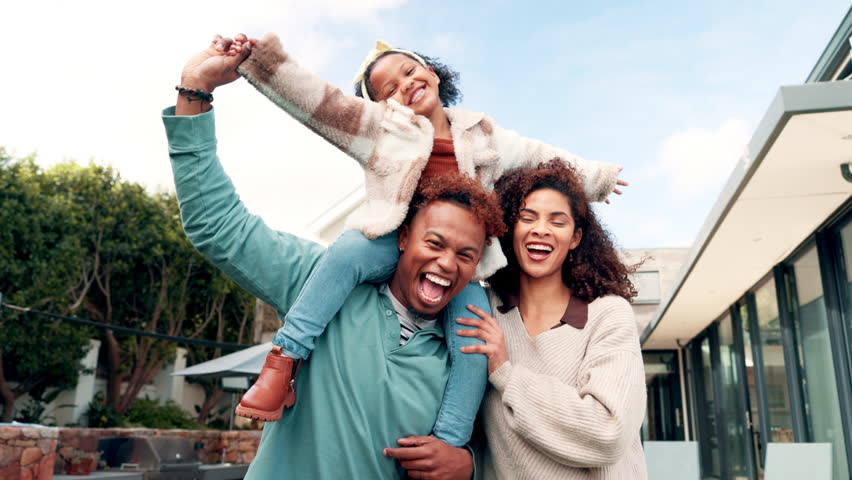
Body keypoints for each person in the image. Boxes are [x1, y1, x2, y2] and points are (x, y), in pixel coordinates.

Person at [221, 32, 628, 449]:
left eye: (410, 71)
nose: (405, 85)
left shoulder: (481, 133)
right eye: (390, 89)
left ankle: (449, 438)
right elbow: (318, 103)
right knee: (346, 251)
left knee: (474, 339)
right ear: (383, 107)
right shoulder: (382, 132)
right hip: (395, 241)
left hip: (462, 261)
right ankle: (283, 359)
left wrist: (596, 177)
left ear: (432, 73)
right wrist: (257, 60)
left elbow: (535, 153)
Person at [165, 37, 501, 478]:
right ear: (401, 235)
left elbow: (502, 445)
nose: (446, 263)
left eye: (466, 254)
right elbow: (216, 225)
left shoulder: (478, 343)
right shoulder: (321, 281)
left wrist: (468, 465)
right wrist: (195, 91)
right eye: (434, 243)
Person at [457, 161, 648, 478]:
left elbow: (607, 433)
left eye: (557, 221)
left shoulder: (608, 314)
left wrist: (507, 375)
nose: (540, 229)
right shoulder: (483, 311)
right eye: (526, 218)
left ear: (575, 238)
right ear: (509, 229)